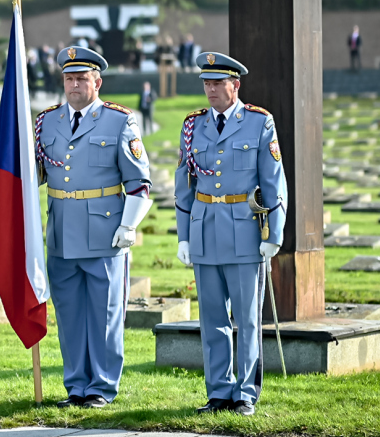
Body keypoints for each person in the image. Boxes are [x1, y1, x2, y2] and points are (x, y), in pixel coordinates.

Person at [37, 46, 152, 409]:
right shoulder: (47, 121)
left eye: (81, 78)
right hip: (60, 235)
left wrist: (129, 225)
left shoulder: (119, 121)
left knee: (103, 315)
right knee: (69, 314)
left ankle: (101, 387)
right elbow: (35, 176)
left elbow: (139, 182)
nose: (74, 85)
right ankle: (76, 386)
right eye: (69, 78)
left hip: (104, 234)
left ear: (97, 82)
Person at [174, 52, 287, 417]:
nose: (210, 90)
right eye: (206, 83)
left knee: (247, 318)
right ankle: (219, 391)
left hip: (244, 230)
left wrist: (275, 232)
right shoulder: (192, 126)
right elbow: (184, 185)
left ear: (234, 85)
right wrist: (183, 236)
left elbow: (273, 181)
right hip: (205, 228)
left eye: (217, 83)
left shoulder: (258, 123)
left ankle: (246, 393)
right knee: (212, 318)